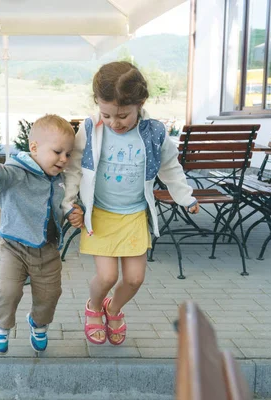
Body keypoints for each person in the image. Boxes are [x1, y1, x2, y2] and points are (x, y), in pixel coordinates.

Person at [63, 62, 199, 346]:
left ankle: (113, 310)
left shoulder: (154, 132)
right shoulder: (91, 129)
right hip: (100, 214)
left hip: (134, 215)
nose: (114, 122)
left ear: (141, 103)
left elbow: (170, 167)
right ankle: (93, 307)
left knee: (135, 279)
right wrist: (69, 204)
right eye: (107, 114)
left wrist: (185, 197)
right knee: (107, 276)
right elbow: (74, 167)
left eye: (123, 115)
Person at [0, 114, 75, 354]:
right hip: (14, 247)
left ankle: (38, 323)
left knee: (50, 294)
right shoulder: (16, 173)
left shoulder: (61, 180)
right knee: (9, 290)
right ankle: (1, 327)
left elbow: (67, 204)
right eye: (57, 152)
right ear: (34, 147)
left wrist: (75, 213)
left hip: (48, 250)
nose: (63, 159)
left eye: (68, 154)